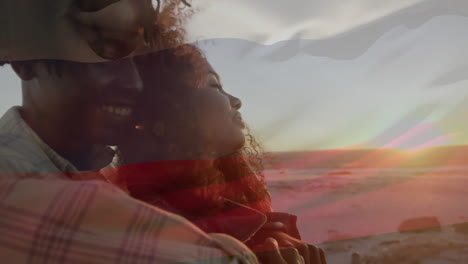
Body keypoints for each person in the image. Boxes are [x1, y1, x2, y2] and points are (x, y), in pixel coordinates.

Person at [114, 45, 327, 264]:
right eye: (215, 86)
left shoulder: (233, 207)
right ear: (168, 111)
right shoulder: (154, 234)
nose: (236, 100)